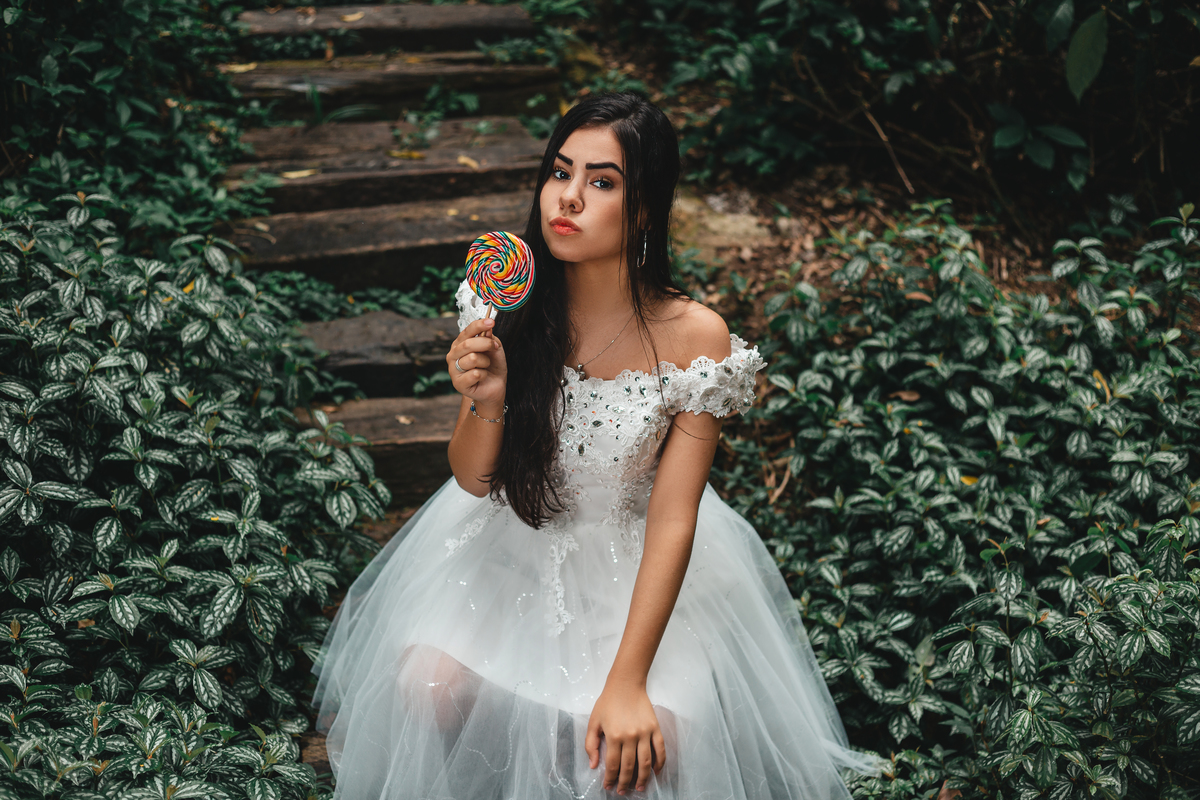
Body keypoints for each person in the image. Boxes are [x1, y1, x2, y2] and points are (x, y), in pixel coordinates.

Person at [310, 92, 878, 799]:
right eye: (559, 172)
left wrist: (629, 679)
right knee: (427, 687)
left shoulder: (696, 337)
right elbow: (471, 479)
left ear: (643, 208)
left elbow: (674, 515)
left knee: (633, 759)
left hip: (631, 566)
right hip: (508, 551)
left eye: (601, 182)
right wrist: (486, 403)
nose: (569, 198)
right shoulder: (508, 306)